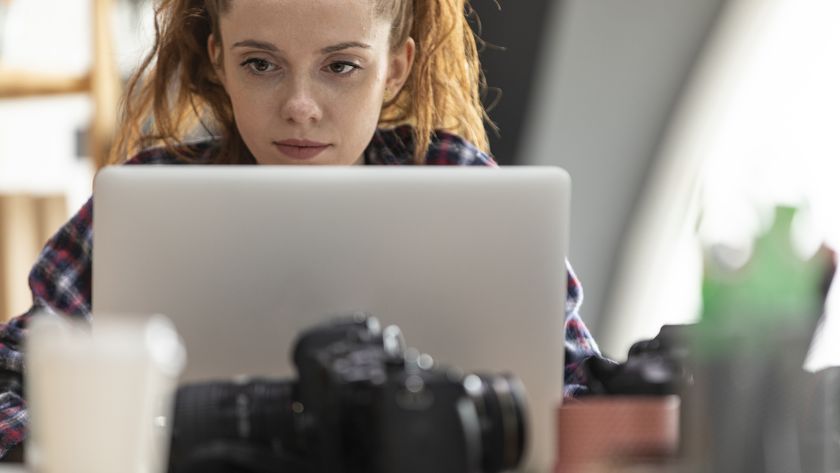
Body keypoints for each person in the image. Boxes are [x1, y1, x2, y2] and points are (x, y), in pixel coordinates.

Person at [0, 0, 601, 459]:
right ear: (220, 61)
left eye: (341, 66)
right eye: (260, 64)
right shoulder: (141, 206)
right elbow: (12, 386)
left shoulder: (463, 185)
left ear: (394, 68)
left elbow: (576, 396)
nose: (300, 106)